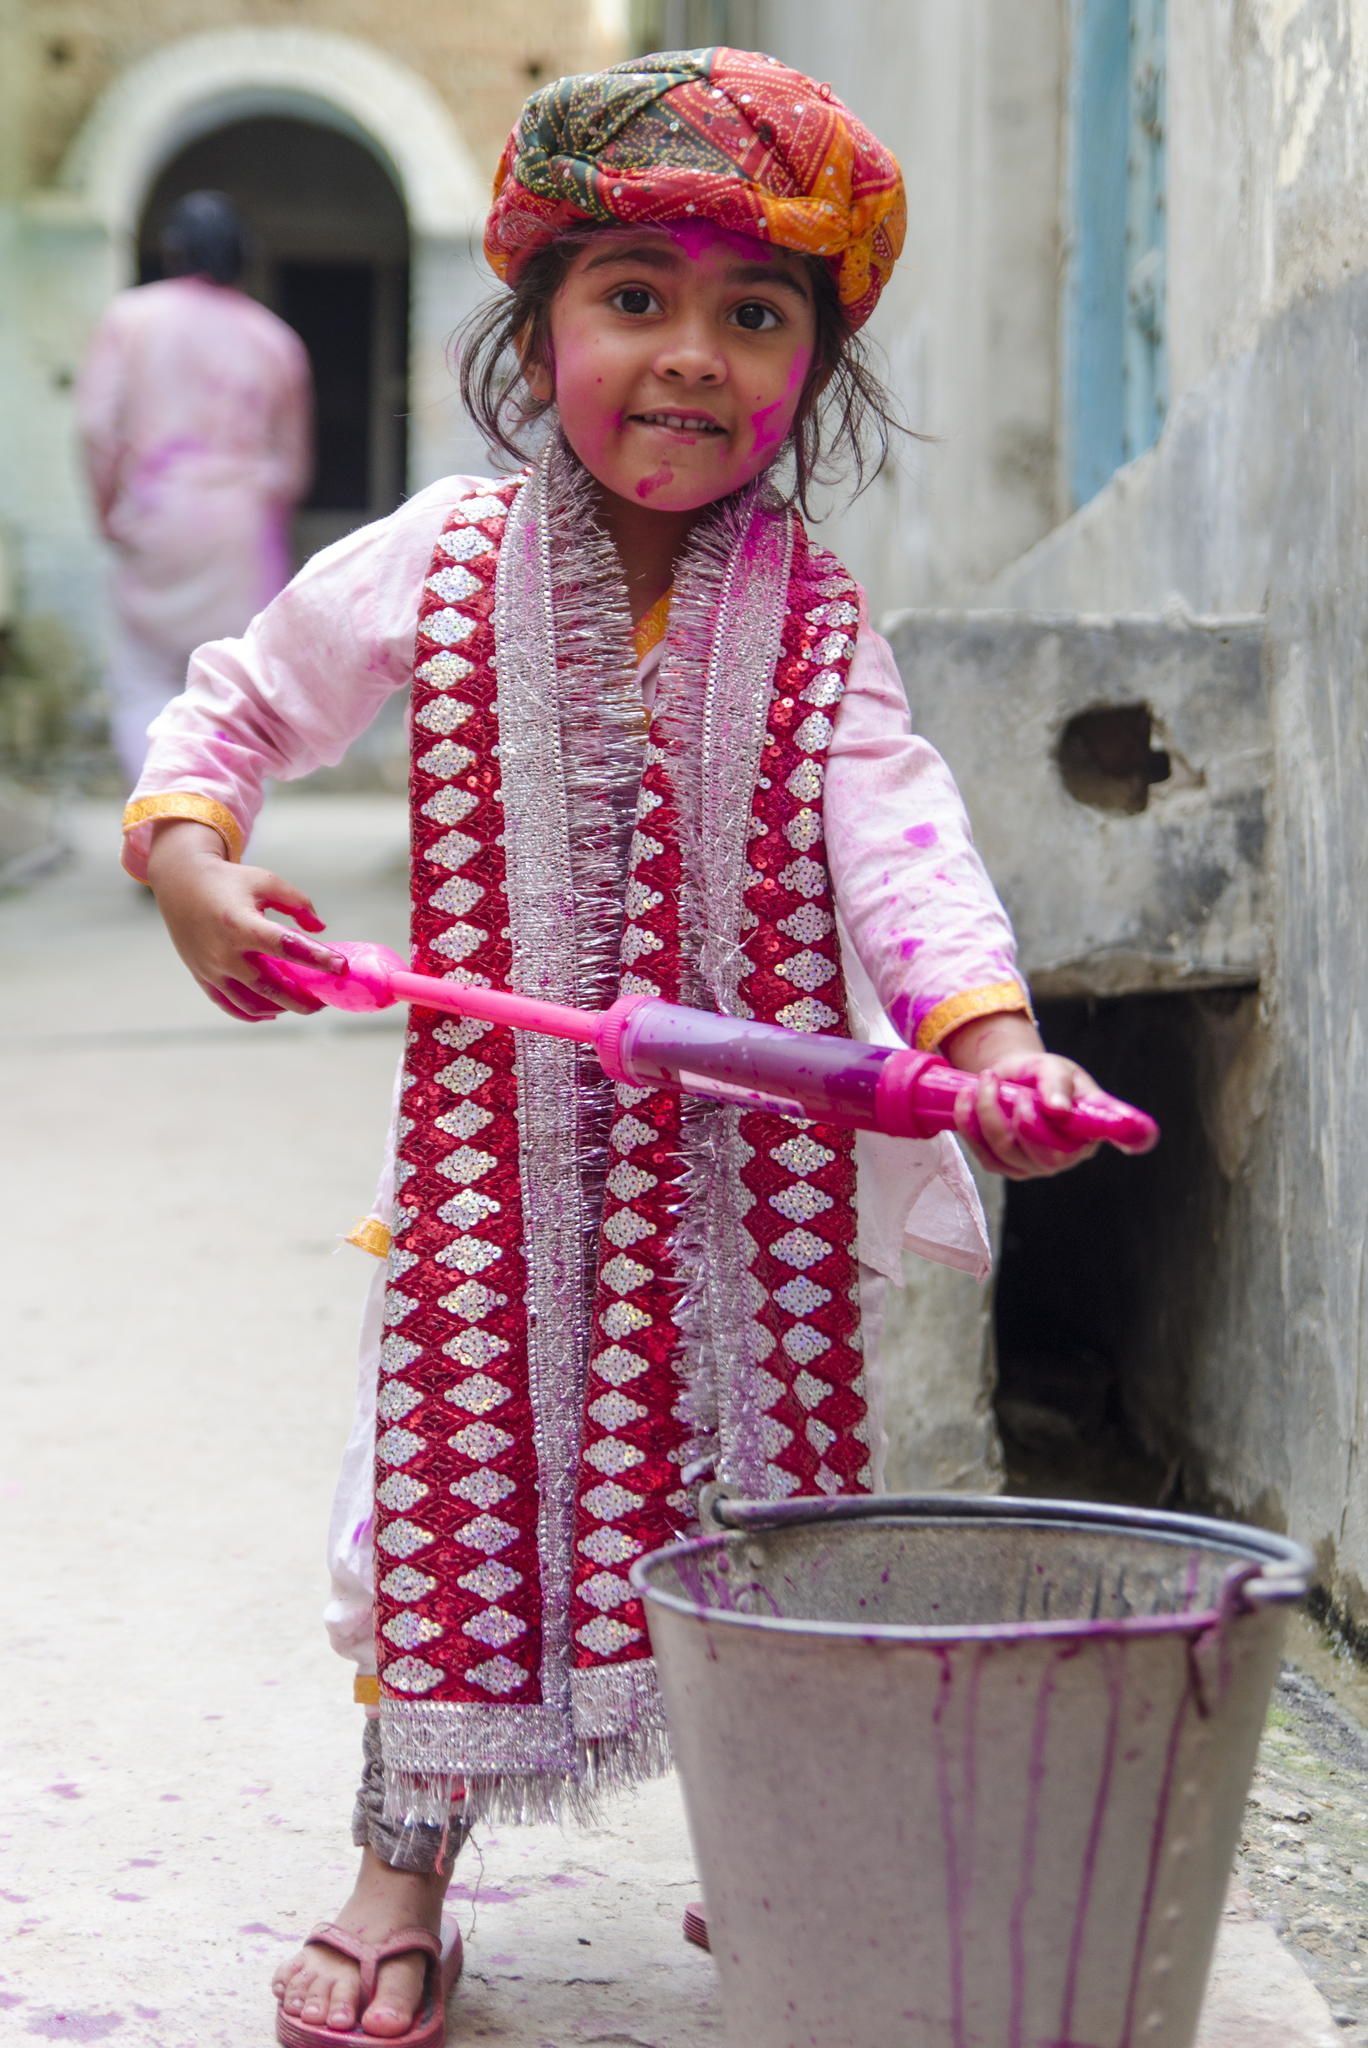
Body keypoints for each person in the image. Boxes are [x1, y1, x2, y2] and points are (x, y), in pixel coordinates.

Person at [122, 50, 1117, 2045]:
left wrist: (992, 1041)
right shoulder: (440, 559)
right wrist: (186, 862)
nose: (689, 357)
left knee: (772, 1521)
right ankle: (404, 1861)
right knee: (439, 1503)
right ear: (538, 325)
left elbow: (905, 847)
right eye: (631, 297)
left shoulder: (818, 624)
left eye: (754, 316)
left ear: (812, 379)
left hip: (747, 1218)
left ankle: (785, 1862)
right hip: (493, 1192)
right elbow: (235, 707)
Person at [77, 190, 313, 790]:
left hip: (155, 511)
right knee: (227, 686)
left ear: (173, 249)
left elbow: (97, 428)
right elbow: (290, 467)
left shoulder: (130, 318)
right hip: (241, 525)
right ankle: (212, 835)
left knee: (141, 682)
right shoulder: (274, 339)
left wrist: (109, 510)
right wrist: (258, 518)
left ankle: (158, 829)